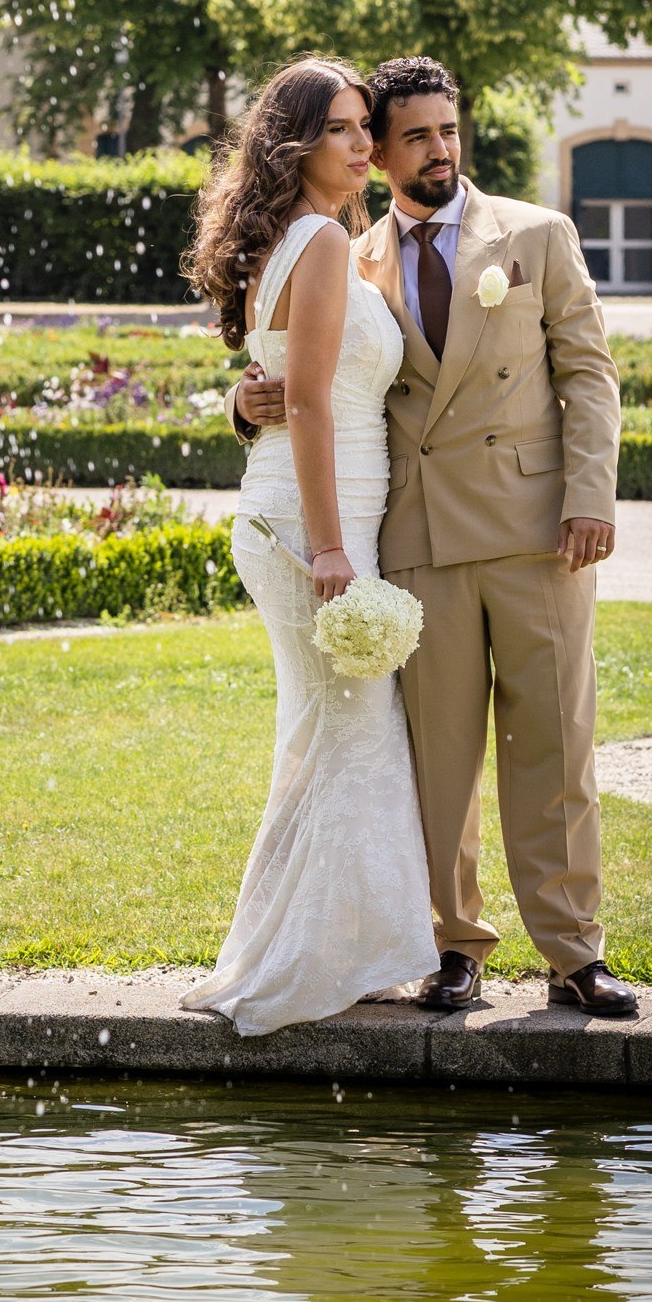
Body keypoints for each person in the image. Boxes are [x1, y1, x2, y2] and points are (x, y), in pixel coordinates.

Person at [234, 54, 638, 1020]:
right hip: (415, 541)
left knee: (554, 746)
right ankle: (456, 947)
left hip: (538, 531)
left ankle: (575, 954)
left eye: (448, 131)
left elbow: (590, 376)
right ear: (379, 148)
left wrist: (592, 498)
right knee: (438, 763)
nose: (439, 149)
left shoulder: (538, 235)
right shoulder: (350, 251)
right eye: (415, 135)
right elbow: (310, 377)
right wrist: (250, 404)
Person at [179, 57, 439, 1033]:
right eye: (343, 128)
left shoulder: (289, 242)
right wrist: (333, 552)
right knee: (349, 739)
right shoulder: (322, 245)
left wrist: (248, 412)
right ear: (297, 143)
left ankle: (318, 950)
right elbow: (317, 410)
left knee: (326, 741)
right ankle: (307, 963)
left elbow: (274, 387)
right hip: (308, 531)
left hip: (293, 515)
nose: (365, 145)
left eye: (365, 126)